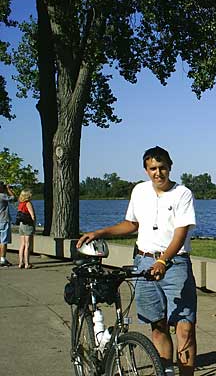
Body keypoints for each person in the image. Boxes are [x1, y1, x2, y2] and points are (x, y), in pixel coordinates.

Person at [76, 146, 197, 376]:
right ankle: (165, 371)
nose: (158, 173)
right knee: (158, 326)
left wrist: (163, 261)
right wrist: (100, 232)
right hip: (143, 262)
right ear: (146, 170)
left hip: (175, 265)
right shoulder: (139, 191)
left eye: (162, 168)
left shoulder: (182, 193)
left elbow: (181, 232)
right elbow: (131, 224)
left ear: (170, 167)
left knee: (185, 328)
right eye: (153, 168)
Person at [17, 189, 36, 269]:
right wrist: (34, 222)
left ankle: (20, 262)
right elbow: (32, 215)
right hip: (28, 225)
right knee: (27, 245)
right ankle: (27, 263)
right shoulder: (28, 203)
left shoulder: (20, 204)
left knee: (22, 245)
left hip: (21, 224)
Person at [0, 181, 16, 267]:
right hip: (3, 220)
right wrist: (8, 189)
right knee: (3, 240)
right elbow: (14, 198)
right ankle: (2, 259)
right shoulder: (2, 196)